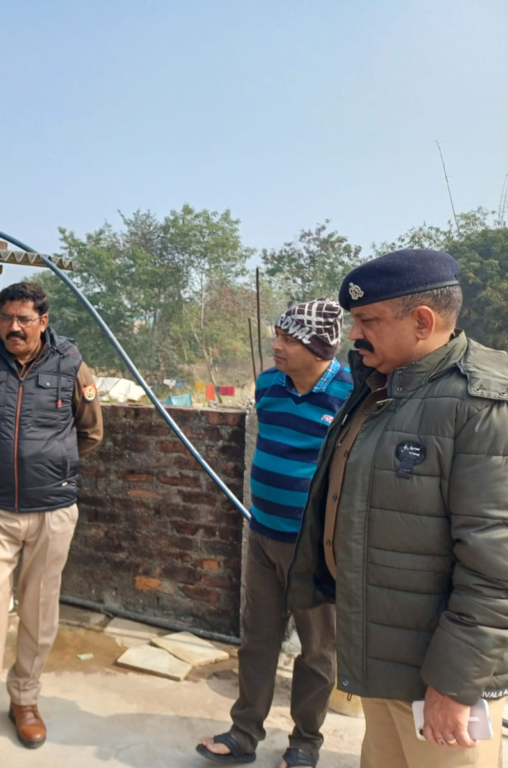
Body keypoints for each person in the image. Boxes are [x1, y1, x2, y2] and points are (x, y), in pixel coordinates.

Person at [286, 249, 508, 768]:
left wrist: (453, 685)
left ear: (422, 322)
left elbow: (496, 564)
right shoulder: (384, 384)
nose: (354, 335)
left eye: (368, 321)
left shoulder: (480, 402)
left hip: (439, 681)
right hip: (384, 660)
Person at [0, 282, 103, 749]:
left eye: (24, 319)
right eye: (6, 317)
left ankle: (25, 701)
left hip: (52, 510)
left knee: (38, 609)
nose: (13, 327)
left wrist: (50, 468)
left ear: (43, 321)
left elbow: (91, 433)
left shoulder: (71, 364)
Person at [197, 299, 352, 768]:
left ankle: (305, 743)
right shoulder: (268, 384)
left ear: (318, 347)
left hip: (316, 548)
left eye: (288, 339)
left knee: (317, 651)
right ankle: (244, 733)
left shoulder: (349, 394)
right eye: (277, 336)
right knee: (257, 639)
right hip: (262, 533)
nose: (276, 346)